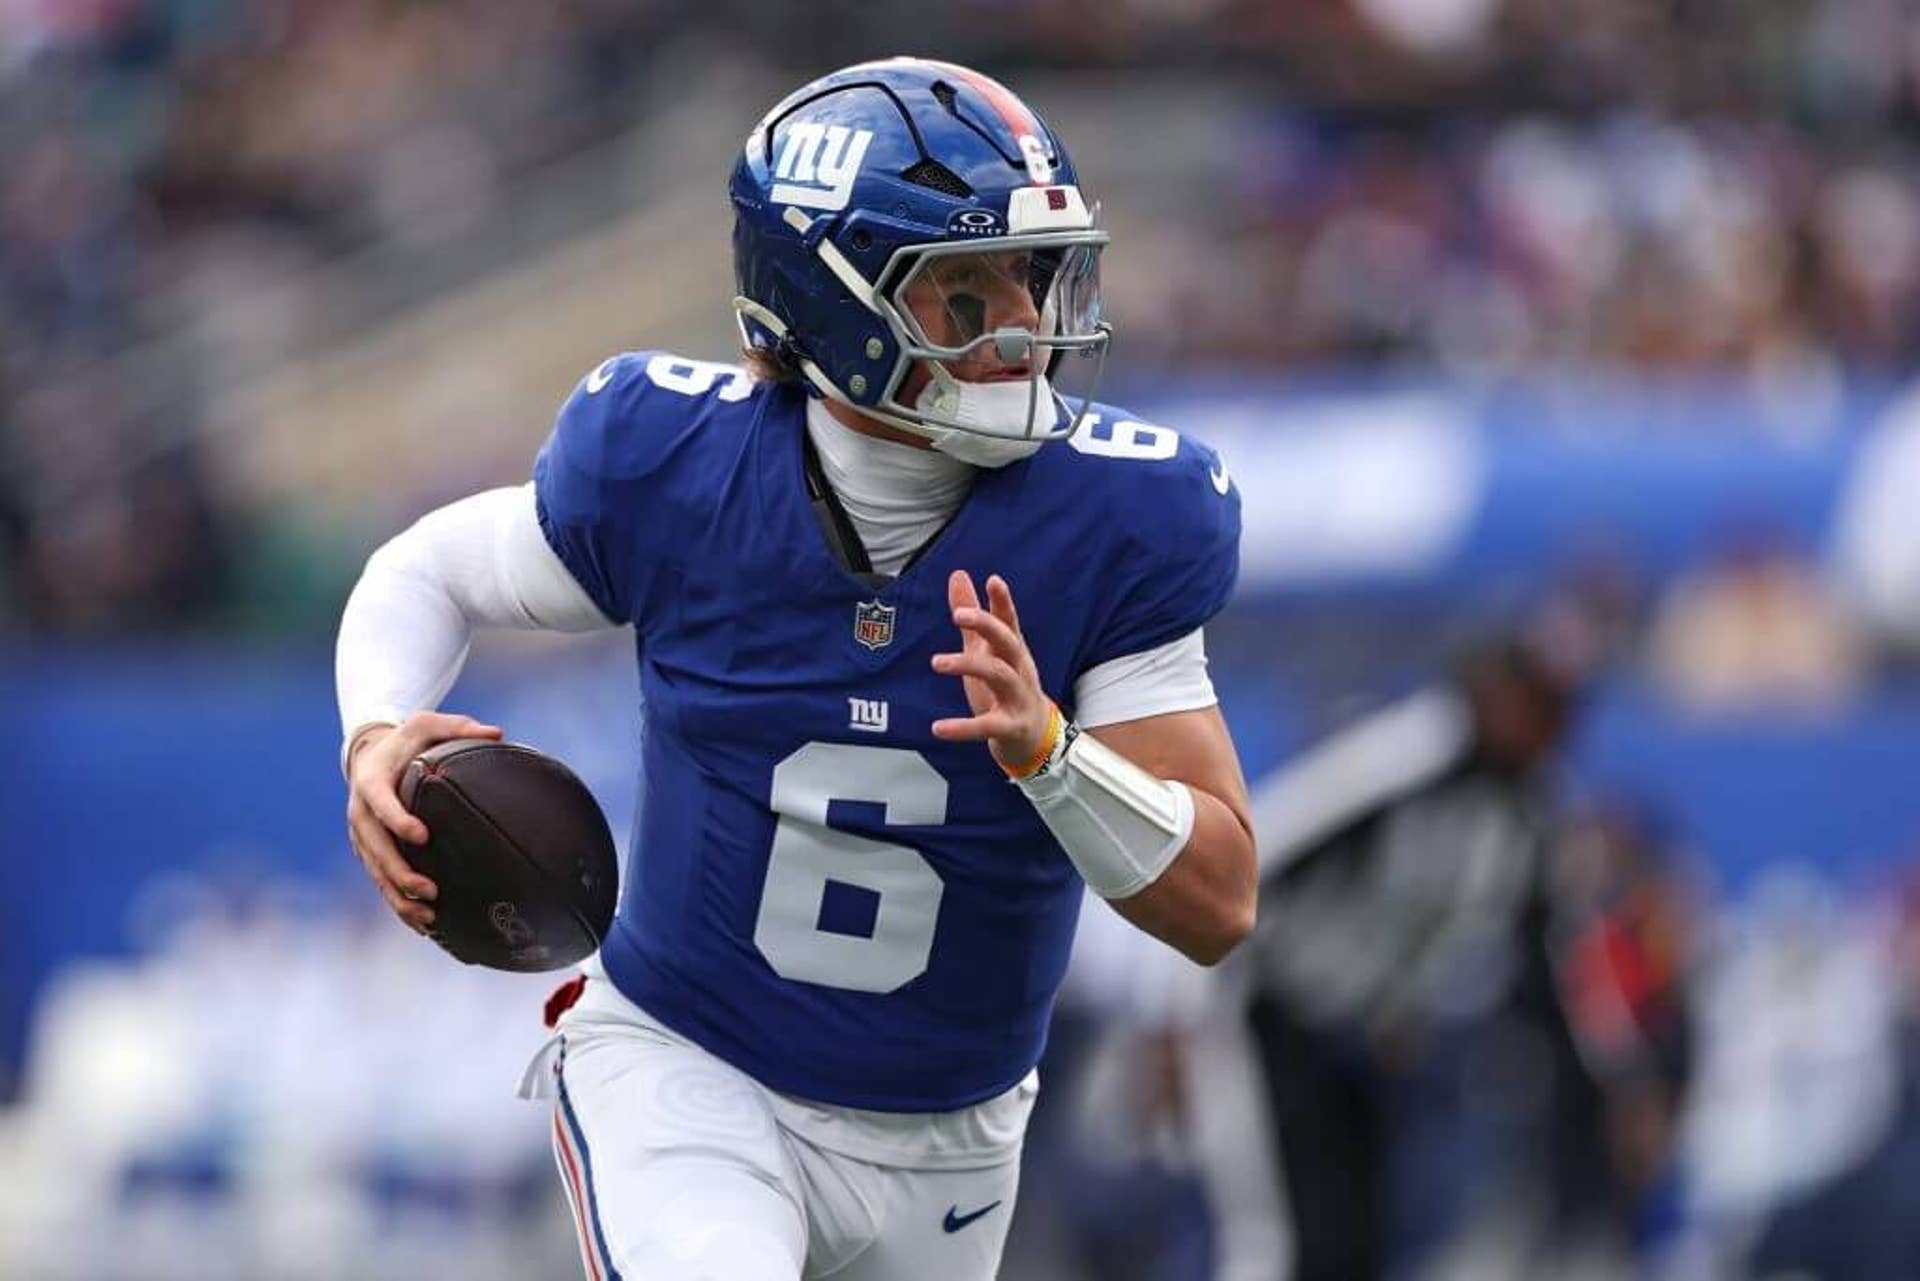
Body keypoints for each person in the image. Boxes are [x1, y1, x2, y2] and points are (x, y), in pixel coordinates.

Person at [334, 57, 1255, 1281]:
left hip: (951, 1142)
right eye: (962, 292)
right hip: (690, 1070)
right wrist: (377, 732)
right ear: (826, 306)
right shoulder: (671, 466)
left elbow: (1219, 902)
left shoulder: (1118, 518)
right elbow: (424, 570)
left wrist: (1055, 761)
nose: (1024, 327)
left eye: (1031, 277)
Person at [1244, 635, 1592, 1279]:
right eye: (1528, 702)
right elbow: (1255, 851)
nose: (1537, 726)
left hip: (1375, 1039)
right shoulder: (1408, 753)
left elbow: (1539, 960)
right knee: (1273, 1229)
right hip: (1272, 1013)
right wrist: (1178, 1006)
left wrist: (1593, 1085)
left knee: (1362, 1243)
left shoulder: (1531, 813)